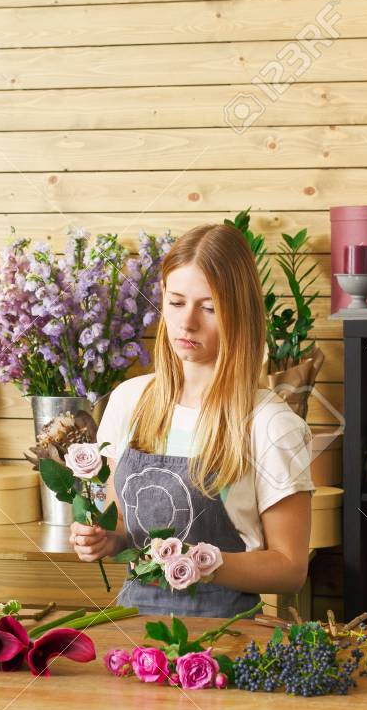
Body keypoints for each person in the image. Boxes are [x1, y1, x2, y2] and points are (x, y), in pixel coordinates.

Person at [70, 223, 315, 617]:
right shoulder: (129, 400)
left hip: (228, 638)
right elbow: (120, 523)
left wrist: (204, 564)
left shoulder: (269, 423)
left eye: (209, 307)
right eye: (176, 302)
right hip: (133, 628)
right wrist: (104, 540)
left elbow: (289, 568)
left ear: (239, 313)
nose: (187, 323)